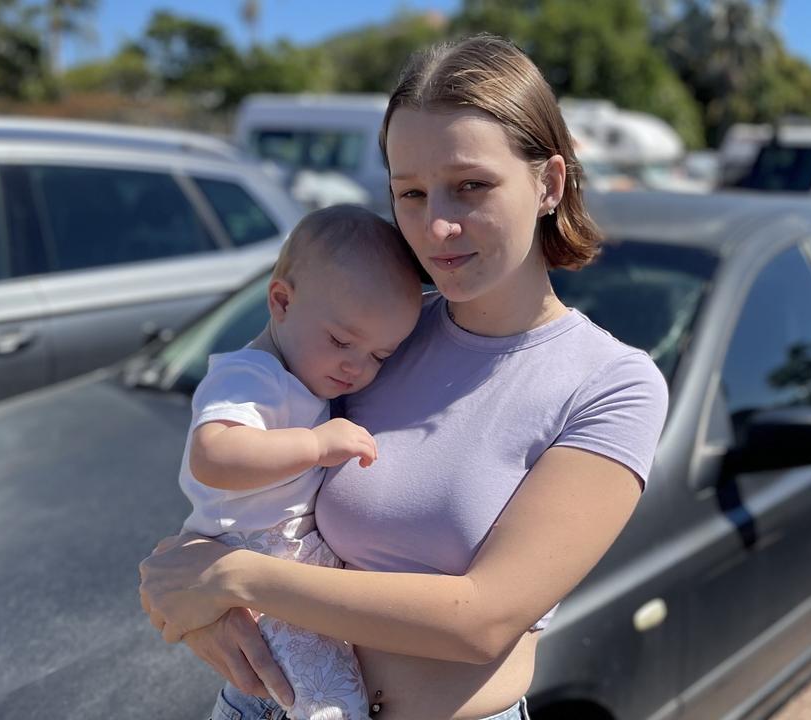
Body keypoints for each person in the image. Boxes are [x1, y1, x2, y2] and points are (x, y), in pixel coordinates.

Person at [140, 34, 669, 720]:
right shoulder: (375, 335)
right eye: (410, 193)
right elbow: (235, 472)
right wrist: (187, 586)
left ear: (549, 183)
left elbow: (479, 621)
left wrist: (232, 580)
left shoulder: (611, 384)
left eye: (470, 186)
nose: (437, 225)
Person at [177, 204, 422, 719]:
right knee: (323, 699)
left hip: (281, 560)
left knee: (306, 688)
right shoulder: (251, 375)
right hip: (255, 552)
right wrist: (316, 445)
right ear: (281, 301)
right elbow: (213, 454)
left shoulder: (303, 376)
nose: (357, 366)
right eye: (341, 341)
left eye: (381, 356)